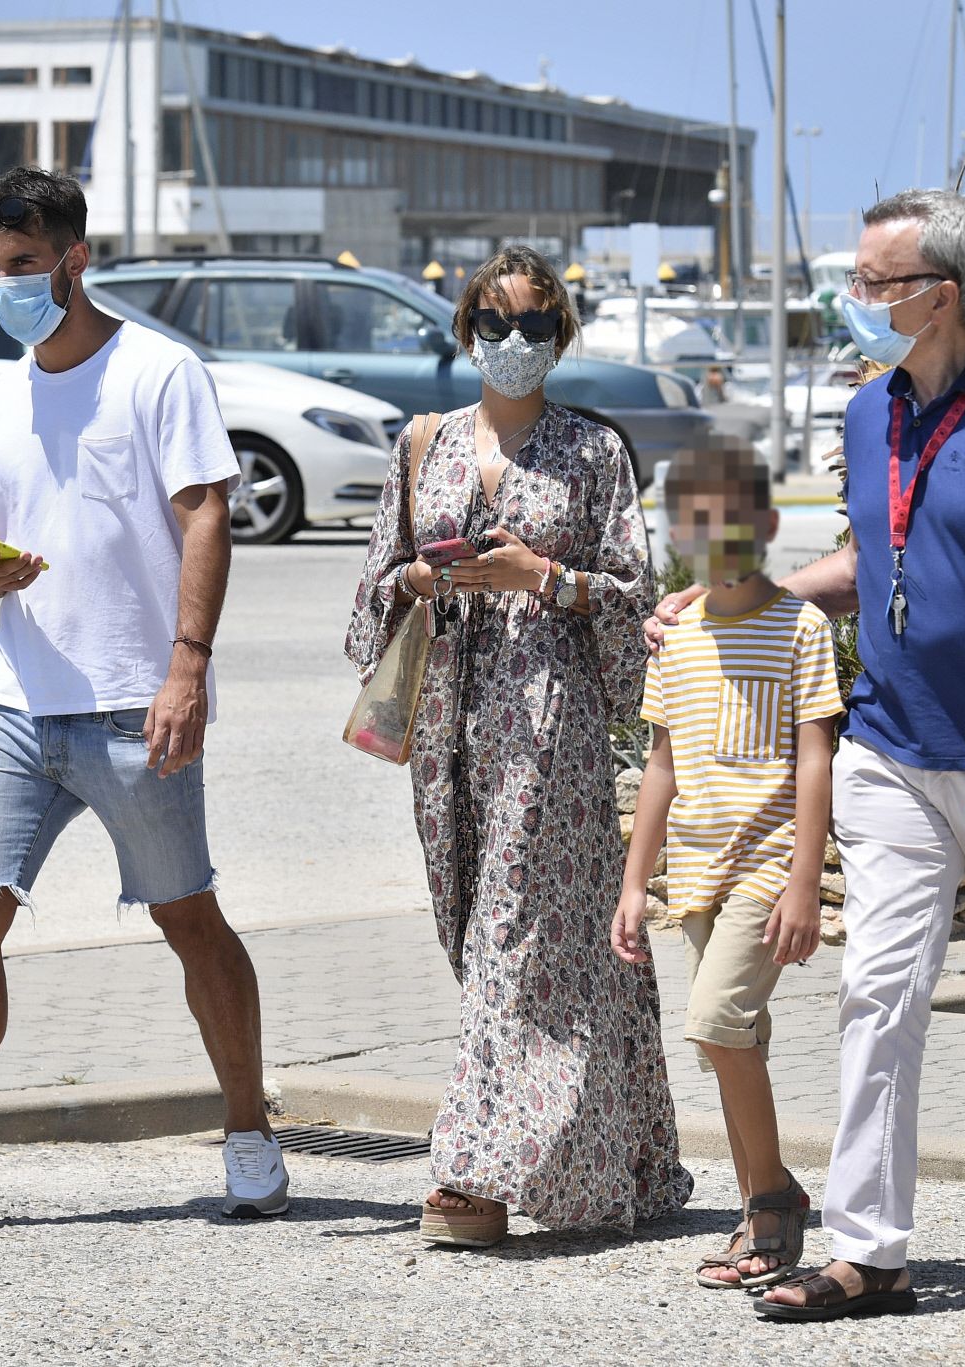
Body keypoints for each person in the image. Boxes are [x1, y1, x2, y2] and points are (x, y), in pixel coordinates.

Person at [653, 189, 965, 1321]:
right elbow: (870, 557)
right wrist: (734, 598)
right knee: (878, 990)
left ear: (943, 295)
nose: (854, 299)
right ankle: (871, 1251)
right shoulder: (872, 413)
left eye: (875, 282)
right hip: (889, 748)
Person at [0, 167, 287, 1232]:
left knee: (189, 917)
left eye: (23, 266)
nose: (5, 287)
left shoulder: (159, 373)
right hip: (17, 699)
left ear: (76, 258)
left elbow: (207, 516)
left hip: (138, 700)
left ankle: (248, 1130)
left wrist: (187, 667)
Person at [345, 245, 692, 1246]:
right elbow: (371, 591)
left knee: (514, 940)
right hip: (447, 722)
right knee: (486, 931)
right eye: (493, 325)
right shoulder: (424, 443)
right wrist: (417, 581)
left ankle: (474, 1174)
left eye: (534, 325)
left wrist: (544, 578)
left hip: (549, 726)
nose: (511, 343)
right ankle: (618, 1153)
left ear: (562, 336)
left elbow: (633, 598)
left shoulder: (592, 453)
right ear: (465, 331)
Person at [612, 437, 843, 1290]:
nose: (714, 536)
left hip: (765, 866)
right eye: (695, 522)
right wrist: (636, 882)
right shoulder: (676, 639)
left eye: (731, 521)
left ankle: (774, 1201)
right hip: (697, 873)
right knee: (730, 1043)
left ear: (766, 524)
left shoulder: (800, 626)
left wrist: (803, 882)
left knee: (713, 1025)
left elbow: (817, 758)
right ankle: (763, 1205)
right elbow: (661, 767)